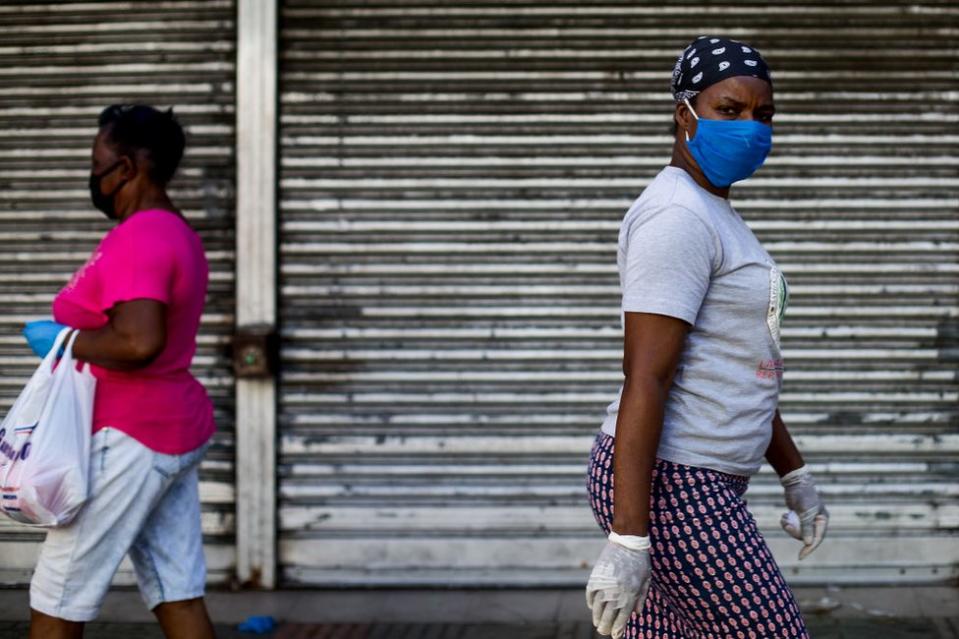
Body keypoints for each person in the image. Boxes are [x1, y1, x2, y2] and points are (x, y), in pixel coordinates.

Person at [584, 37, 829, 639]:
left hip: (699, 476)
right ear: (684, 112)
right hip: (676, 483)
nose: (751, 127)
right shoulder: (677, 217)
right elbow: (647, 375)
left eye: (763, 115)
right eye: (730, 109)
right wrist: (628, 539)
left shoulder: (713, 210)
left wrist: (793, 474)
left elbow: (739, 366)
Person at [21, 104, 217, 639]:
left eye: (97, 162)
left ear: (127, 168)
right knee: (176, 590)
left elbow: (138, 341)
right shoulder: (176, 233)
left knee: (57, 596)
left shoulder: (145, 235)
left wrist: (61, 340)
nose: (93, 175)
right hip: (167, 431)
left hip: (128, 437)